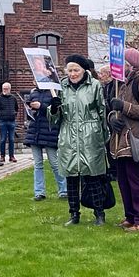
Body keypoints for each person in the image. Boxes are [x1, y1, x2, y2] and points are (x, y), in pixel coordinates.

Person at [50, 58, 109, 225]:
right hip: (68, 135)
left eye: (76, 70)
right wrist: (54, 108)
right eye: (69, 71)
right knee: (71, 177)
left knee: (93, 176)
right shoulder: (61, 86)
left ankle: (99, 213)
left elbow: (102, 110)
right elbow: (55, 118)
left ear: (83, 70)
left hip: (90, 135)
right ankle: (74, 214)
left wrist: (104, 135)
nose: (73, 74)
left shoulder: (95, 85)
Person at [108, 49, 139, 232]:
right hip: (120, 138)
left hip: (134, 137)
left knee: (135, 180)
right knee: (123, 180)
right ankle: (130, 215)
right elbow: (113, 108)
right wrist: (112, 117)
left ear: (131, 63)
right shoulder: (121, 83)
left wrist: (125, 107)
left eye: (123, 63)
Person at [26, 87, 68, 200]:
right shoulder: (33, 92)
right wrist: (31, 109)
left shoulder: (54, 92)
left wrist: (42, 107)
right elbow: (29, 113)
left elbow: (57, 112)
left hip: (50, 131)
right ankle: (39, 192)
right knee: (38, 164)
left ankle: (64, 190)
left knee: (54, 163)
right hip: (35, 131)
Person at [0, 82, 19, 163]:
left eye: (6, 88)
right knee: (3, 139)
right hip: (2, 121)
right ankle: (2, 156)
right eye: (4, 89)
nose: (5, 90)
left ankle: (11, 156)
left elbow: (16, 108)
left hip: (12, 121)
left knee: (12, 139)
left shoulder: (13, 98)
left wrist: (14, 115)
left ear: (10, 89)